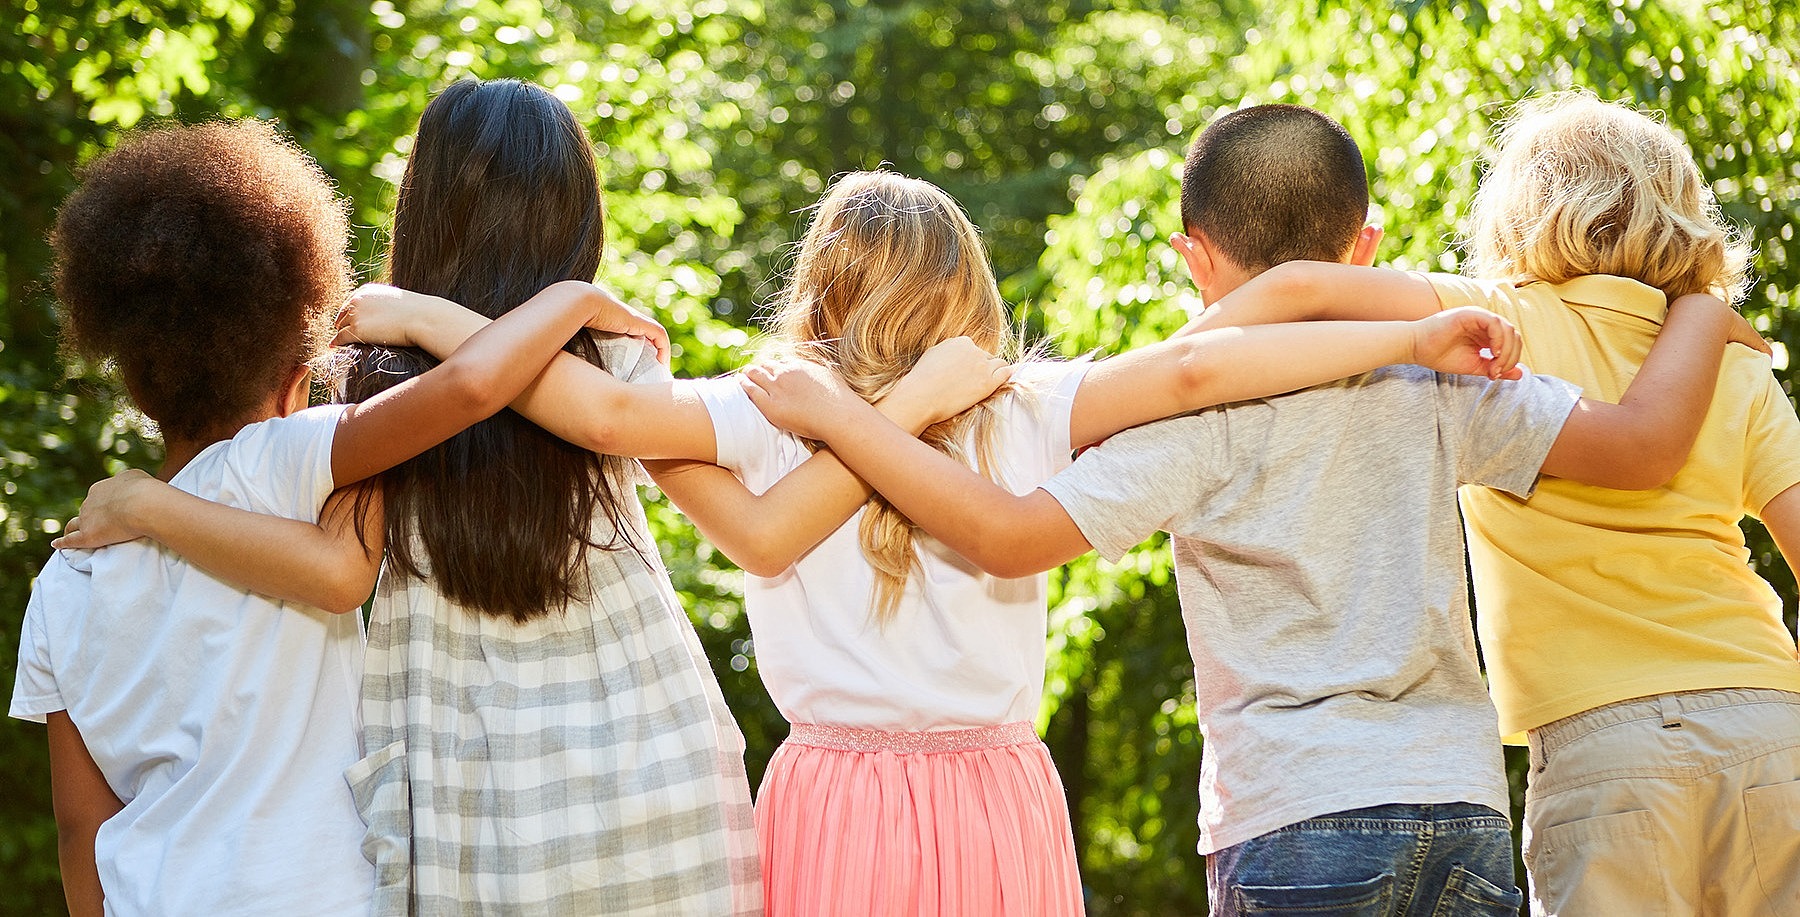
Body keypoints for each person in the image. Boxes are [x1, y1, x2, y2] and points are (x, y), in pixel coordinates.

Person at [62, 164, 1536, 916]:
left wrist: (435, 312)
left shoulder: (763, 409)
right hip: (998, 795)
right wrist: (1413, 326)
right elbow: (1212, 362)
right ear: (969, 290)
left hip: (829, 793)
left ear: (820, 291)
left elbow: (589, 407)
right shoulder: (1027, 401)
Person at [731, 106, 1759, 916]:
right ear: (1366, 245)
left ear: (1195, 257)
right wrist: (1701, 308)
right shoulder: (1448, 373)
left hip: (1294, 813)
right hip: (1459, 805)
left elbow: (1009, 532)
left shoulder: (1194, 415)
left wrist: (853, 420)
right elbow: (1638, 447)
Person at [1181, 93, 1800, 916]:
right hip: (1770, 721)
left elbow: (1300, 288)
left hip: (1603, 749)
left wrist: (1170, 369)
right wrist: (1707, 313)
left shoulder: (1502, 318)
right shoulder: (1732, 361)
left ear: (1519, 213)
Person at [7, 120, 646, 915]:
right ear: (295, 370)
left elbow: (81, 829)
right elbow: (473, 386)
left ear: (134, 376)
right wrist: (572, 298)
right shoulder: (294, 459)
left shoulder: (65, 577)